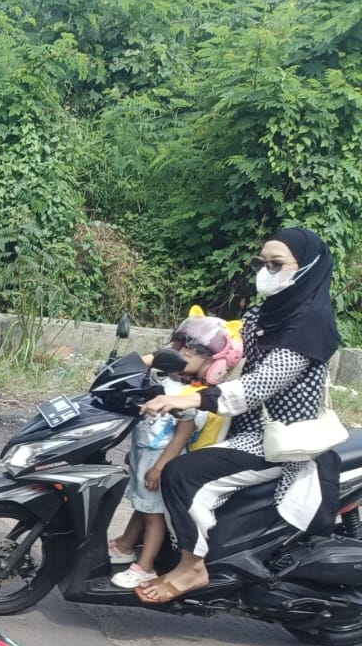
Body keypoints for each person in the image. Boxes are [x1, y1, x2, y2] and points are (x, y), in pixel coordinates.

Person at [138, 228, 344, 603]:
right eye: (261, 263)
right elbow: (229, 358)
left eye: (276, 264)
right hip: (248, 425)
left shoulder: (310, 322)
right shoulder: (264, 312)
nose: (266, 271)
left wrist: (190, 401)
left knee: (181, 474)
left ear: (308, 267)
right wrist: (170, 367)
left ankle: (192, 567)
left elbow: (262, 384)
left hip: (281, 439)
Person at [106, 317, 236, 587]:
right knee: (144, 506)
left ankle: (145, 567)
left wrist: (161, 466)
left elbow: (183, 434)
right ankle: (126, 544)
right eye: (184, 346)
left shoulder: (194, 396)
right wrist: (157, 357)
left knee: (154, 515)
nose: (186, 353)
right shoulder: (171, 384)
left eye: (198, 351)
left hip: (162, 460)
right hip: (146, 455)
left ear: (216, 365)